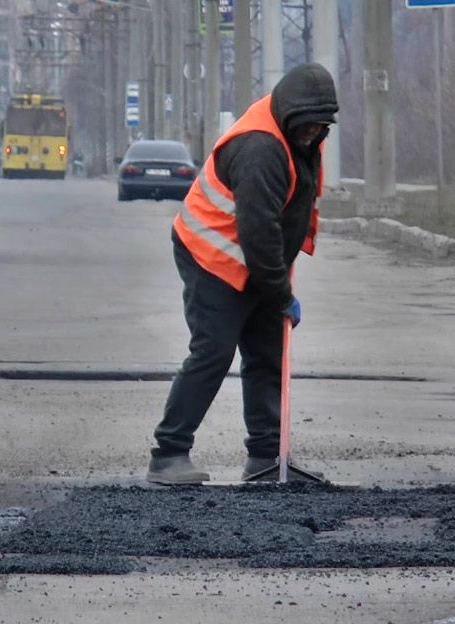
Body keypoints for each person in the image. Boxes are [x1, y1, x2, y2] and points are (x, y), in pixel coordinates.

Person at [146, 62, 338, 485]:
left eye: (320, 127)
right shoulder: (260, 148)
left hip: (259, 260)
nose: (312, 134)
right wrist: (281, 294)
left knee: (267, 355)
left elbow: (285, 216)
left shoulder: (302, 135)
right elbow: (258, 230)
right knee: (213, 352)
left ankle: (267, 458)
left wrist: (276, 287)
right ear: (289, 115)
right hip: (212, 255)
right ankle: (169, 455)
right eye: (306, 127)